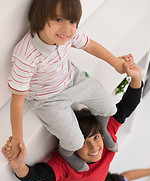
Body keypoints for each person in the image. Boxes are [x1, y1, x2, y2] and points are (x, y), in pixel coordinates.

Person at [2, 61, 142, 181]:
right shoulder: (64, 164)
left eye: (96, 138)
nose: (94, 147)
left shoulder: (107, 137)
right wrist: (18, 164)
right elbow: (34, 176)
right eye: (84, 143)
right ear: (71, 145)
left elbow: (128, 104)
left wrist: (136, 76)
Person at [6, 0, 133, 172]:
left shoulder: (67, 35)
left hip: (72, 79)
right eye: (58, 20)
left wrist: (116, 63)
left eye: (72, 22)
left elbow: (90, 45)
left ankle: (103, 129)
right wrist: (17, 140)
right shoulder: (26, 56)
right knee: (75, 141)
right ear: (40, 18)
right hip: (47, 100)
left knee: (109, 106)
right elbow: (17, 101)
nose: (67, 29)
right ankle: (66, 153)